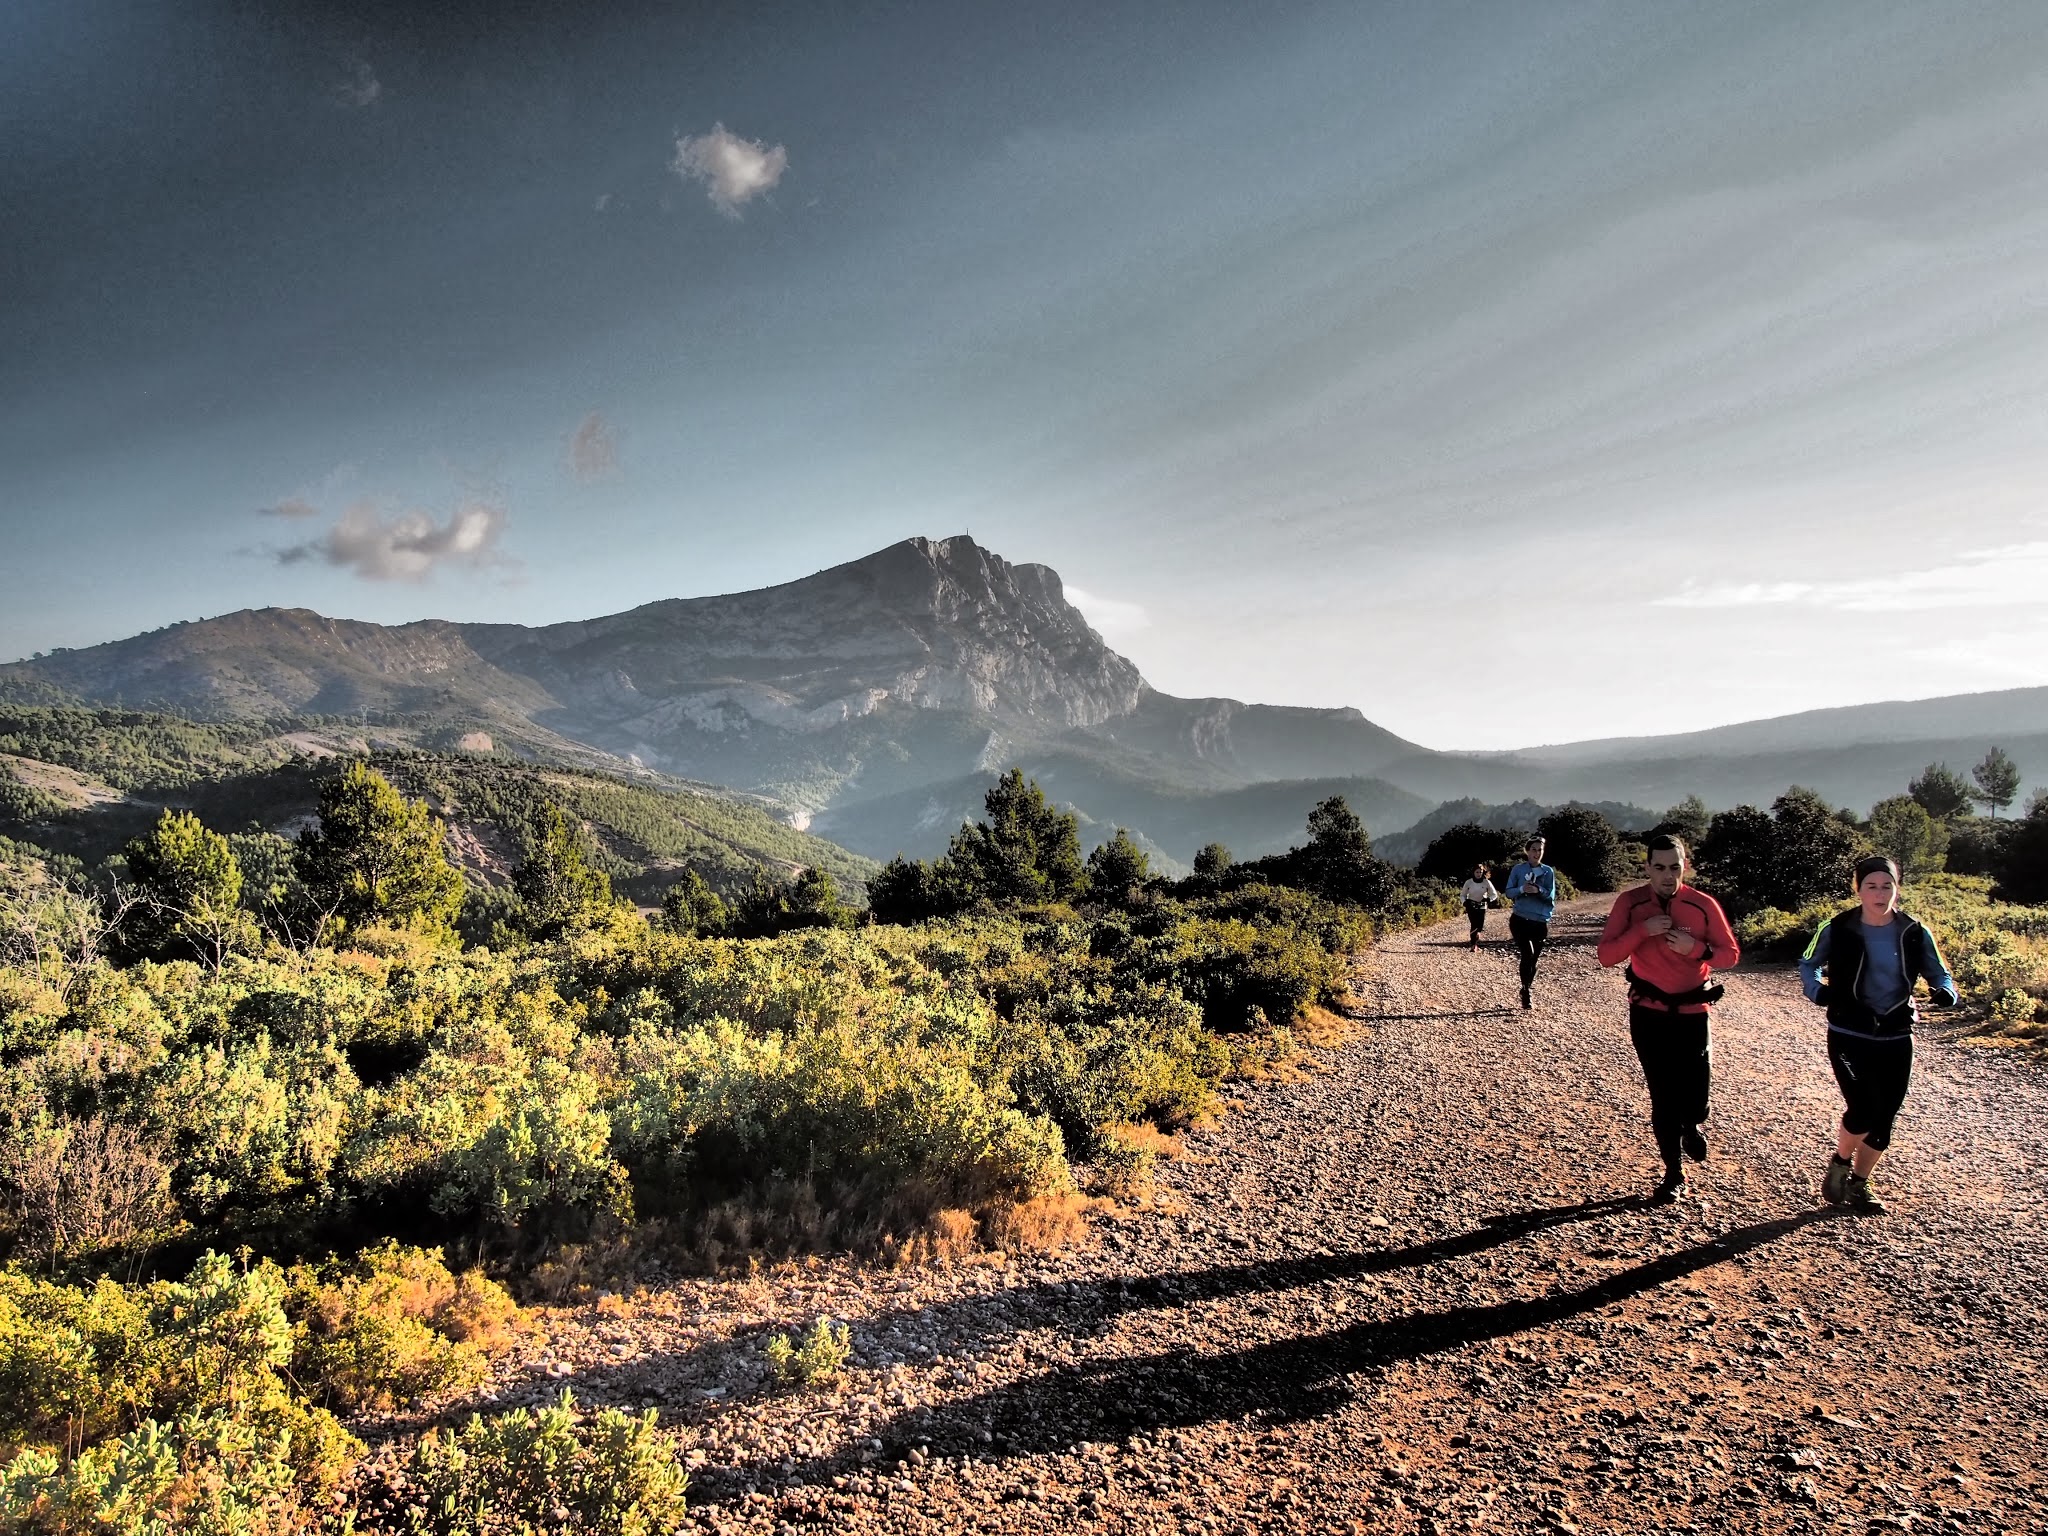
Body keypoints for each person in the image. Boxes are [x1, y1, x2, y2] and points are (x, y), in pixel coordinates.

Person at [1797, 854, 1957, 1215]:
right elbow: (1807, 963)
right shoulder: (1837, 927)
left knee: (1885, 1116)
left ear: (1897, 888)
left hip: (1896, 1033)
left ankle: (1858, 1184)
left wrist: (1945, 991)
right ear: (1858, 889)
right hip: (1849, 1031)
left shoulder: (1914, 931)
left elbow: (1939, 972)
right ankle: (1840, 1161)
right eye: (1872, 885)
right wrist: (1816, 989)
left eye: (1888, 885)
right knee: (1864, 1107)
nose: (1880, 892)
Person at [1596, 834, 1740, 1203]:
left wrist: (1699, 950)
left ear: (1684, 866)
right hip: (1648, 1012)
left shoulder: (1702, 905)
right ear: (1646, 868)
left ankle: (1691, 1123)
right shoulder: (1631, 904)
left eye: (1674, 867)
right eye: (1658, 867)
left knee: (1695, 1098)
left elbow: (1730, 955)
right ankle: (1674, 1174)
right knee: (1662, 1094)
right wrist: (1641, 931)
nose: (1666, 875)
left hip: (1694, 1012)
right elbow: (1607, 955)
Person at [1503, 836, 1557, 1009]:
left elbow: (1551, 896)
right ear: (1527, 851)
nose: (1537, 853)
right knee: (1527, 954)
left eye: (1540, 849)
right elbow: (1509, 892)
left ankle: (1526, 987)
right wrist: (1521, 889)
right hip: (1520, 919)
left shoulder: (1548, 872)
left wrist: (1538, 890)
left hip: (1540, 922)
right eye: (1533, 849)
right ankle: (1526, 991)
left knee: (1533, 960)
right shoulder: (1518, 870)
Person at [1460, 862, 1499, 950]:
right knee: (1473, 924)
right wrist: (1465, 902)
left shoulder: (1486, 882)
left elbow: (1494, 894)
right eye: (1477, 872)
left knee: (1479, 926)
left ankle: (1476, 938)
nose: (1479, 874)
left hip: (1482, 906)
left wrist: (1489, 899)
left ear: (1483, 873)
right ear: (1473, 872)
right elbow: (1462, 895)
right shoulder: (1468, 882)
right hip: (1471, 906)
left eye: (1480, 872)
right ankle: (1473, 944)